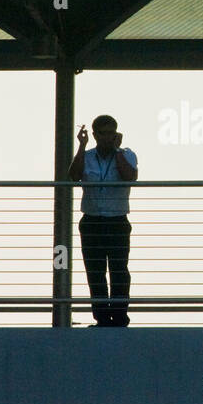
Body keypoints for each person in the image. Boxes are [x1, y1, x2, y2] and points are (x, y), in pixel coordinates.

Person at [68, 114, 138, 326]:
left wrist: (117, 151)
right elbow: (74, 175)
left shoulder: (127, 154)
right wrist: (81, 146)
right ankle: (101, 316)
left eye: (111, 133)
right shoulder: (87, 156)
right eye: (103, 134)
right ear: (95, 134)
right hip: (92, 220)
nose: (107, 138)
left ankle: (119, 315)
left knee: (119, 270)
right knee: (95, 271)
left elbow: (130, 177)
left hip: (117, 220)